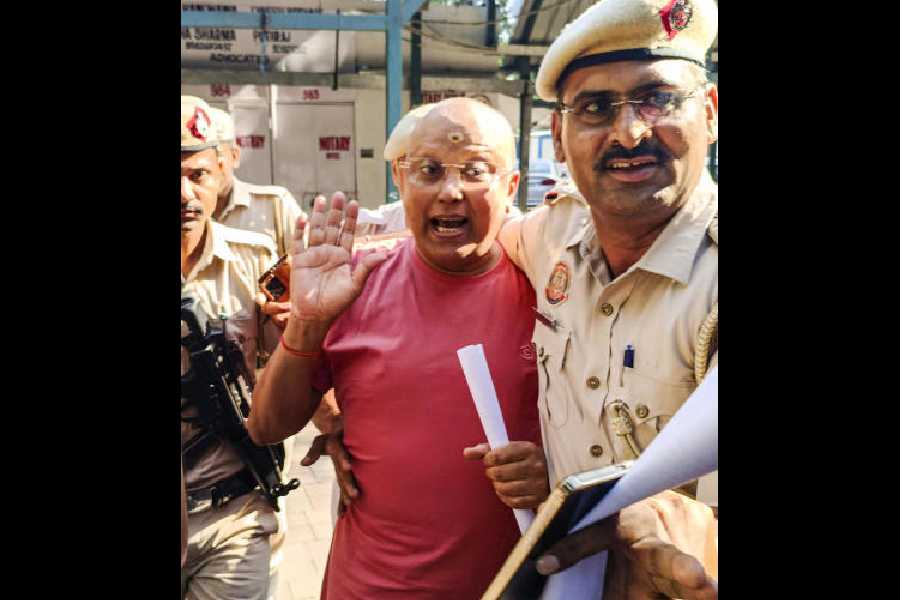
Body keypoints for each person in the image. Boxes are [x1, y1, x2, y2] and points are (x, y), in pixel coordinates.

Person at [247, 97, 550, 599]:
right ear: (401, 180)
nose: (451, 192)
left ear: (511, 186)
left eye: (475, 171)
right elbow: (266, 427)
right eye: (429, 171)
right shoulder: (356, 279)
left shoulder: (550, 287)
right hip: (369, 585)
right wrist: (308, 322)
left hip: (517, 584)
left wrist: (554, 473)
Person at [496, 0, 719, 596]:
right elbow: (477, 241)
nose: (630, 132)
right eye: (596, 108)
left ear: (712, 113)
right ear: (560, 139)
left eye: (659, 98)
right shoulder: (554, 235)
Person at [180, 96, 282, 600]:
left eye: (197, 175)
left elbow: (290, 366)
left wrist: (337, 430)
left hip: (231, 516)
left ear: (221, 174)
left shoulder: (255, 257)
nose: (184, 194)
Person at [206, 103, 306, 600]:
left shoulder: (268, 216)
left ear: (228, 159)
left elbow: (296, 313)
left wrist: (333, 421)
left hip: (238, 477)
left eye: (202, 169)